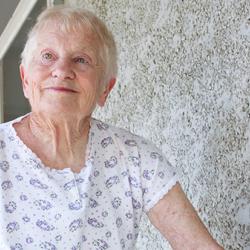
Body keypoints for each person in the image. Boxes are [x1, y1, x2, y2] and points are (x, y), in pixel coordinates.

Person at [0, 5, 223, 250]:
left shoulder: (135, 158)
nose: (62, 70)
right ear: (25, 80)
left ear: (105, 89)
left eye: (81, 59)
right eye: (47, 56)